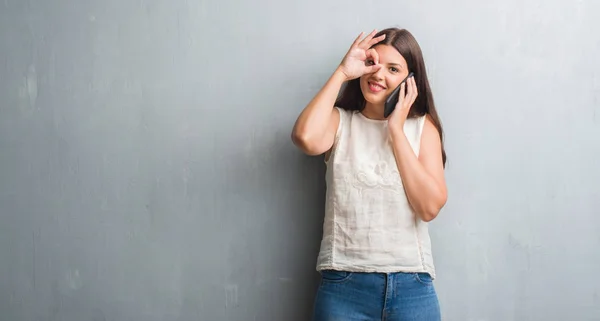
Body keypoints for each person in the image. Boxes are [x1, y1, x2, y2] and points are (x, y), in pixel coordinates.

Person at [291, 27, 448, 321]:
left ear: (410, 80)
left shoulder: (422, 128)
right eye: (373, 63)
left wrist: (396, 131)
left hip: (411, 286)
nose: (378, 75)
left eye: (393, 69)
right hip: (344, 287)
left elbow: (429, 207)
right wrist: (341, 72)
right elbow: (304, 138)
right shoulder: (340, 122)